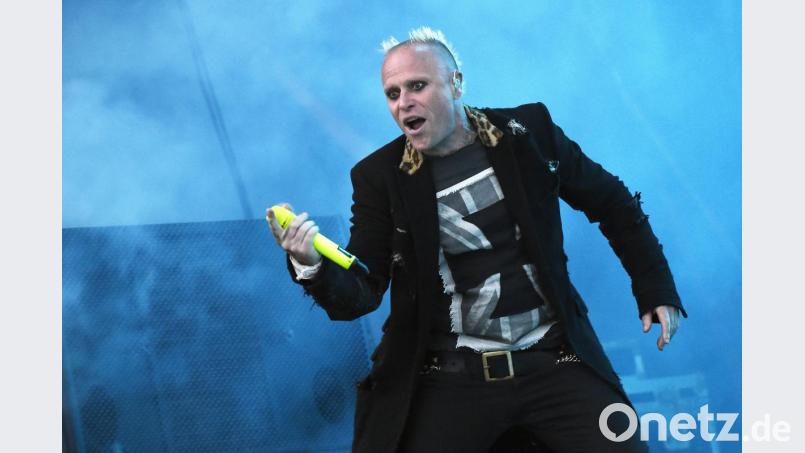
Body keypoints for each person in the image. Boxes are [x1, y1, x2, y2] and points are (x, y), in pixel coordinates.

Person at [266, 26, 686, 453]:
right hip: (451, 379)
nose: (404, 102)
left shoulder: (529, 133)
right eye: (392, 94)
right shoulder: (380, 178)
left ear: (456, 83)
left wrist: (654, 285)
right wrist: (311, 265)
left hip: (554, 362)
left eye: (417, 86)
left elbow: (614, 202)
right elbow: (362, 292)